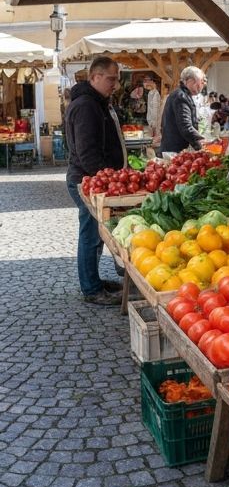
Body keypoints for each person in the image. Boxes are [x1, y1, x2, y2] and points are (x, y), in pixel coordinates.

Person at [65, 56, 128, 306]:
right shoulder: (87, 106)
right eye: (111, 79)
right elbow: (87, 152)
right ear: (95, 77)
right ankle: (91, 288)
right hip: (87, 181)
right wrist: (106, 180)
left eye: (117, 79)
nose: (115, 84)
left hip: (94, 180)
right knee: (90, 235)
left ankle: (95, 281)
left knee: (96, 235)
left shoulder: (97, 103)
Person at [161, 66, 206, 153]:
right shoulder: (181, 97)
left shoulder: (181, 94)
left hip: (172, 147)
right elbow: (186, 126)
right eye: (201, 81)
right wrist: (202, 146)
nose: (203, 84)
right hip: (175, 150)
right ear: (191, 81)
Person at [143, 76, 162, 144]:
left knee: (156, 140)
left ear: (153, 83)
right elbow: (150, 109)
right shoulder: (150, 93)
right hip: (151, 121)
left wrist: (153, 123)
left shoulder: (156, 94)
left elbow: (155, 110)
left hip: (155, 122)